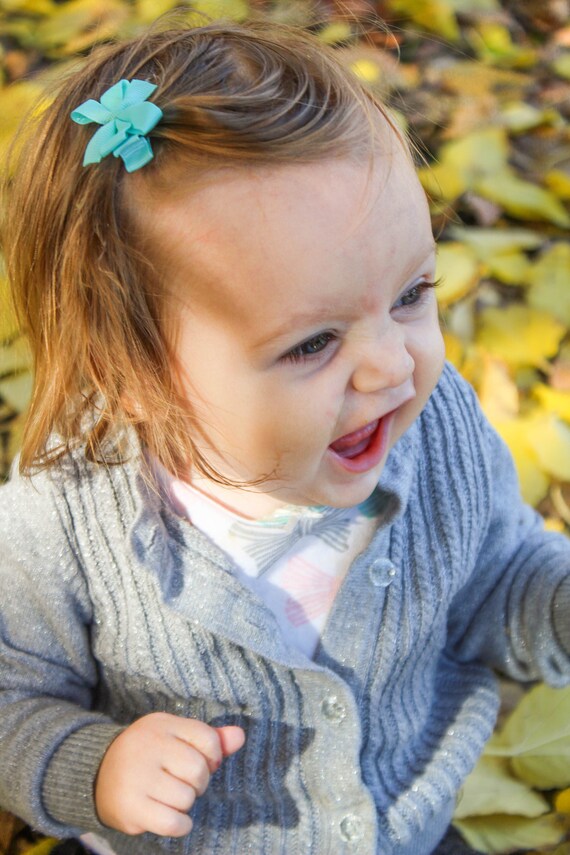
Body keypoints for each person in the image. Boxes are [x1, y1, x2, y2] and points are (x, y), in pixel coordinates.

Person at [1, 17, 569, 855]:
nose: (392, 367)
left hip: (400, 824)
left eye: (413, 293)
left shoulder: (438, 428)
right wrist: (97, 766)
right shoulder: (66, 514)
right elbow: (11, 697)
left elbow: (495, 576)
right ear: (132, 378)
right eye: (313, 343)